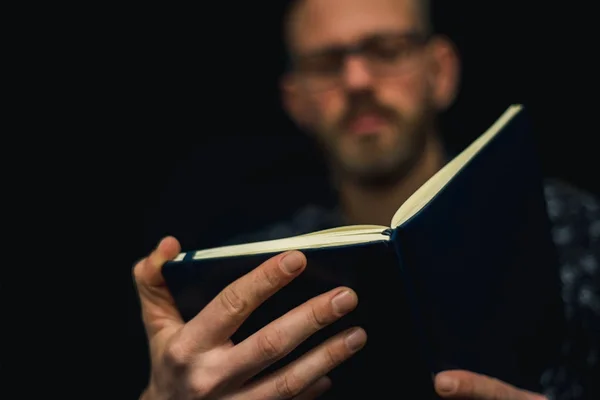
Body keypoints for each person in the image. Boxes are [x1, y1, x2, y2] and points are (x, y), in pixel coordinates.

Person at [133, 0, 600, 398]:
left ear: (440, 71)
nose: (356, 80)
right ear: (296, 102)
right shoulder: (257, 273)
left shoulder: (577, 229)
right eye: (325, 63)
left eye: (386, 50)